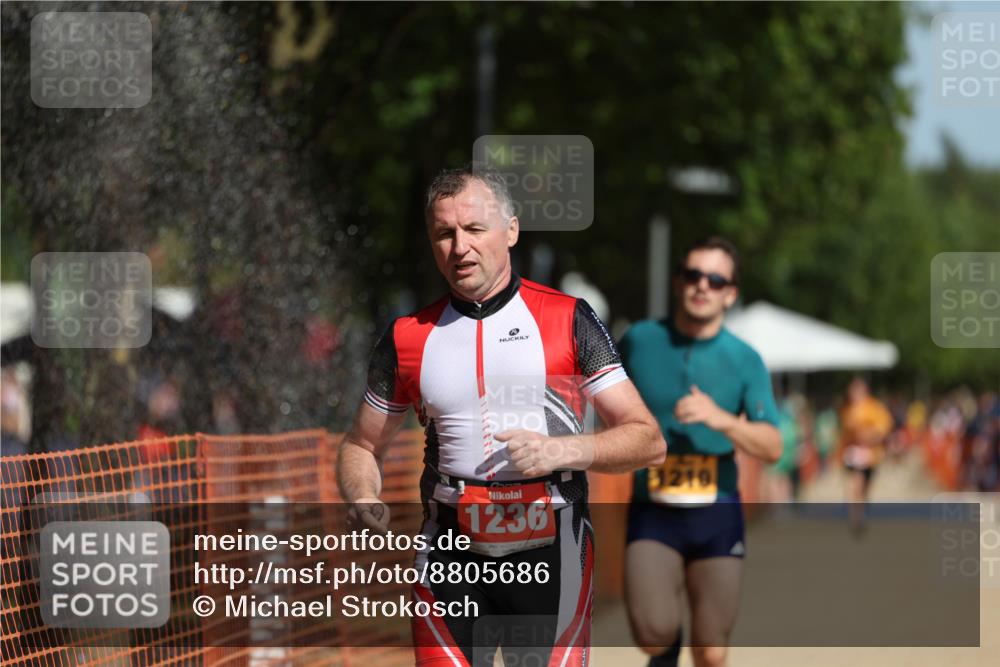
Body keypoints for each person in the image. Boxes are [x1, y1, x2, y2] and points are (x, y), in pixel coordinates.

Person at [337, 164, 665, 666]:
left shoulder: (568, 318)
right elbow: (361, 445)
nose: (460, 247)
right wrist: (362, 494)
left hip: (551, 545)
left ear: (510, 231)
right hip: (448, 548)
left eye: (474, 229)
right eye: (444, 233)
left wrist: (566, 449)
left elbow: (647, 439)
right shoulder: (407, 336)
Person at [619, 236, 782, 667]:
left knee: (711, 651)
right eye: (692, 275)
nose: (701, 286)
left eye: (715, 279)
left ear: (731, 293)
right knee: (653, 633)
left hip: (717, 513)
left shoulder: (745, 359)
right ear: (678, 282)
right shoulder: (638, 340)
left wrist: (721, 418)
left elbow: (772, 444)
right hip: (652, 507)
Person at [836, 376, 893, 535]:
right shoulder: (847, 409)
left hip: (870, 454)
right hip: (852, 453)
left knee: (864, 488)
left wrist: (867, 436)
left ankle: (860, 510)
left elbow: (883, 429)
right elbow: (845, 432)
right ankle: (856, 516)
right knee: (855, 484)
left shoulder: (874, 407)